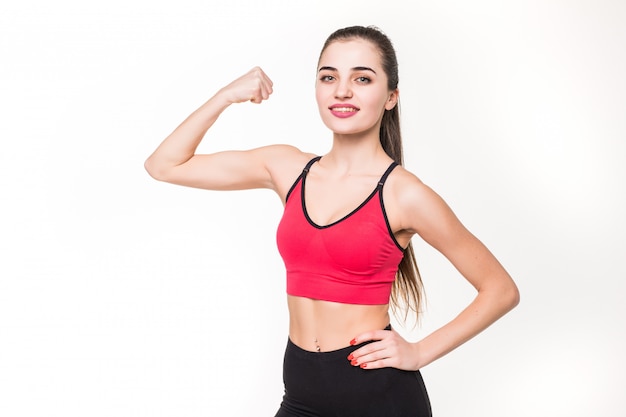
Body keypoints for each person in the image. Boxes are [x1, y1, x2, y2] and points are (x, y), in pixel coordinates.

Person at [144, 25, 520, 417]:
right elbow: (164, 165)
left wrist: (420, 352)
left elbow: (500, 289)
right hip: (301, 397)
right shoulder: (287, 168)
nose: (342, 90)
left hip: (378, 397)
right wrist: (225, 97)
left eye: (362, 78)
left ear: (391, 97)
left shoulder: (404, 194)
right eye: (328, 77)